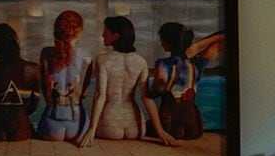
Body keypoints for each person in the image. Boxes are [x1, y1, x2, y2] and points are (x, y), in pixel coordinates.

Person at [78, 16, 175, 148]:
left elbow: (100, 96)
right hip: (136, 127)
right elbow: (147, 98)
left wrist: (91, 129)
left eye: (106, 32)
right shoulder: (141, 62)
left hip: (110, 126)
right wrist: (160, 131)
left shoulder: (103, 60)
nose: (102, 35)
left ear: (116, 36)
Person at [0, 23, 43, 142]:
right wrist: (19, 113)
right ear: (15, 42)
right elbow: (33, 106)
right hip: (21, 128)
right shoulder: (33, 69)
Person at [38, 10, 89, 142]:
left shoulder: (46, 53)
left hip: (51, 122)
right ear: (79, 31)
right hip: (77, 123)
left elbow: (46, 94)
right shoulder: (86, 57)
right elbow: (84, 93)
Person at [149, 22, 203, 140]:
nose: (161, 42)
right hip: (194, 125)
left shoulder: (163, 64)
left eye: (162, 39)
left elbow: (157, 90)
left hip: (168, 123)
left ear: (169, 42)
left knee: (144, 124)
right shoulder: (195, 65)